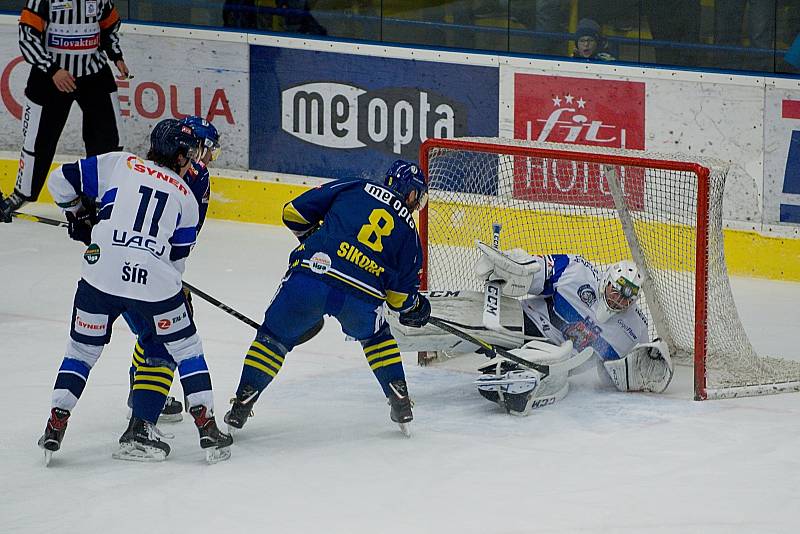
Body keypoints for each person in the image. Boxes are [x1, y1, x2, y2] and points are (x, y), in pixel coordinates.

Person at [37, 119, 232, 465]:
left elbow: (59, 181)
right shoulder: (186, 195)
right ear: (182, 156)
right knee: (185, 347)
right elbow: (176, 258)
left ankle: (55, 423)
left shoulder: (121, 162)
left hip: (99, 274)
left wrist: (79, 217)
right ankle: (202, 426)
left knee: (81, 350)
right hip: (154, 281)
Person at [224, 160, 432, 437]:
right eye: (419, 196)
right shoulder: (410, 234)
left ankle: (243, 400)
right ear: (410, 194)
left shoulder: (358, 186)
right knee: (377, 338)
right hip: (360, 299)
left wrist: (315, 240)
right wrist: (416, 307)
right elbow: (399, 300)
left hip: (312, 276)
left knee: (273, 338)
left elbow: (293, 213)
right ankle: (400, 398)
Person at [390, 242, 674, 416]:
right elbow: (533, 271)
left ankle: (516, 382)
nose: (618, 299)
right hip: (526, 321)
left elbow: (616, 374)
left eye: (627, 297)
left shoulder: (634, 330)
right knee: (467, 319)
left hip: (556, 360)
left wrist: (645, 364)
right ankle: (398, 318)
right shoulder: (577, 271)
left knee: (552, 361)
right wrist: (509, 266)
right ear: (607, 279)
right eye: (616, 290)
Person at [123, 116, 220, 423]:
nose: (204, 158)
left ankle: (141, 390)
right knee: (163, 330)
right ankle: (143, 399)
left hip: (152, 265)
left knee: (154, 329)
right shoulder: (155, 171)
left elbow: (185, 240)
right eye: (205, 150)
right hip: (129, 264)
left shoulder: (197, 178)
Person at [0, 0, 130, 223]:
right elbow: (28, 36)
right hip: (49, 76)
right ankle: (21, 194)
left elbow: (108, 26)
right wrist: (52, 70)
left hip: (94, 72)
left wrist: (116, 56)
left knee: (109, 140)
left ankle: (100, 198)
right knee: (38, 140)